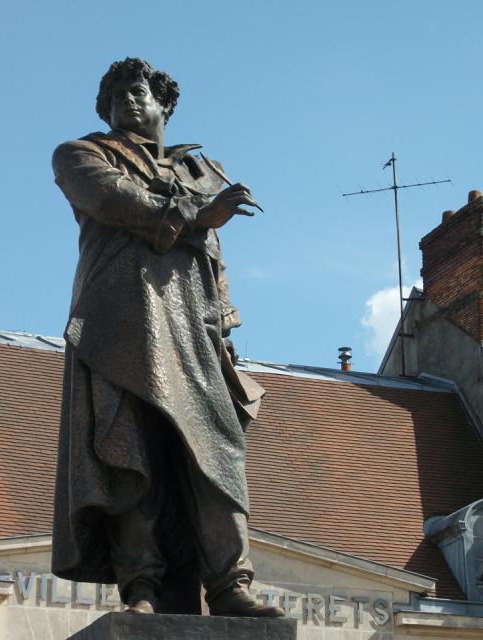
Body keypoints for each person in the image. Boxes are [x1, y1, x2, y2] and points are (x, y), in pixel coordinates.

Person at [51, 57, 283, 617]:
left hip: (194, 329)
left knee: (217, 453)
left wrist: (225, 327)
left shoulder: (205, 172)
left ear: (164, 105)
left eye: (138, 92)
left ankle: (230, 585)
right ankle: (144, 587)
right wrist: (195, 211)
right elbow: (110, 198)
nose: (127, 103)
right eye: (115, 98)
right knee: (133, 450)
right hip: (122, 323)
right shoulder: (82, 153)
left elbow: (214, 261)